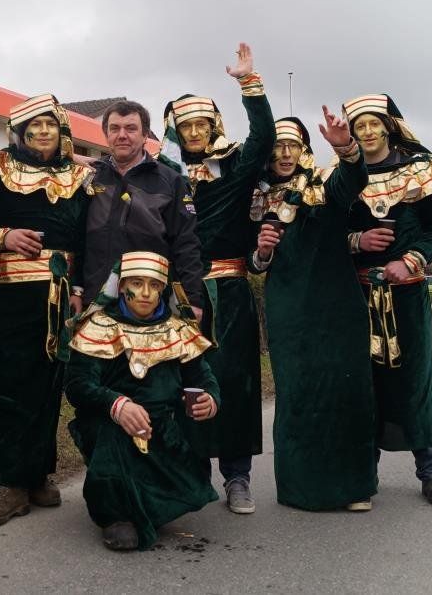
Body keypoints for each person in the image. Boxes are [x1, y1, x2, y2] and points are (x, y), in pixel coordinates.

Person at [157, 42, 274, 514]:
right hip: (174, 293)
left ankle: (237, 476)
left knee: (235, 381)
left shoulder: (234, 170)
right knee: (179, 379)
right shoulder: (160, 176)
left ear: (214, 127)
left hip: (229, 291)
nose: (194, 132)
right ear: (175, 130)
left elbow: (264, 137)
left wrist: (249, 83)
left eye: (201, 124)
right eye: (186, 126)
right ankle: (190, 473)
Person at [0, 94, 93, 526]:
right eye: (33, 125)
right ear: (18, 133)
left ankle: (36, 473)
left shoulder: (80, 178)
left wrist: (78, 287)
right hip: (5, 295)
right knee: (5, 385)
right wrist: (2, 236)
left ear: (61, 131)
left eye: (49, 124)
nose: (42, 131)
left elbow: (86, 240)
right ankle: (6, 483)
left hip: (59, 295)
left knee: (46, 384)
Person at [251, 107, 376, 511]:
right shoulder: (255, 198)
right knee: (297, 393)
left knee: (346, 390)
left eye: (293, 145)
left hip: (338, 304)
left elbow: (354, 179)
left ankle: (354, 488)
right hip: (288, 308)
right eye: (277, 147)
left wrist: (346, 147)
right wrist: (262, 252)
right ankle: (300, 487)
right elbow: (253, 261)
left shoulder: (325, 184)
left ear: (304, 149)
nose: (285, 154)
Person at [345, 93, 432, 506]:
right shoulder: (343, 175)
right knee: (364, 383)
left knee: (415, 380)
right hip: (357, 296)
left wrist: (411, 259)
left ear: (388, 126)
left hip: (407, 296)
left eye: (373, 123)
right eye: (359, 126)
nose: (367, 131)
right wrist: (356, 240)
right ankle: (362, 474)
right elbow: (323, 231)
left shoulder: (417, 170)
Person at [64, 252, 219, 551]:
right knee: (113, 440)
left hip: (163, 425)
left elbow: (202, 377)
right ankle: (115, 515)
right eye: (137, 283)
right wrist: (117, 405)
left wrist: (210, 399)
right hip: (112, 427)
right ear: (122, 285)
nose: (146, 293)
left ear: (163, 289)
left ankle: (156, 499)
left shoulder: (178, 328)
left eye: (154, 285)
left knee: (189, 442)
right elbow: (77, 385)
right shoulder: (99, 327)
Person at [83, 101, 204, 317]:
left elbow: (186, 244)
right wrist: (77, 290)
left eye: (131, 128)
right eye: (114, 128)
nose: (122, 135)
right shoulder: (90, 177)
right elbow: (75, 238)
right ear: (106, 134)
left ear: (145, 134)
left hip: (150, 304)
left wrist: (193, 300)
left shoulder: (170, 181)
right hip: (94, 301)